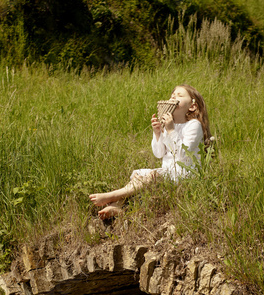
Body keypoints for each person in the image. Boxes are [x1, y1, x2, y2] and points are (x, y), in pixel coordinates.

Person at [89, 84, 211, 219]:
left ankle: (114, 195)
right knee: (138, 175)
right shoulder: (169, 125)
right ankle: (117, 206)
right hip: (168, 172)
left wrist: (171, 130)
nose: (174, 97)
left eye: (180, 96)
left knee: (153, 176)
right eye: (172, 95)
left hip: (186, 173)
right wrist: (158, 133)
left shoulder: (193, 125)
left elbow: (183, 155)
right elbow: (158, 153)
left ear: (192, 106)